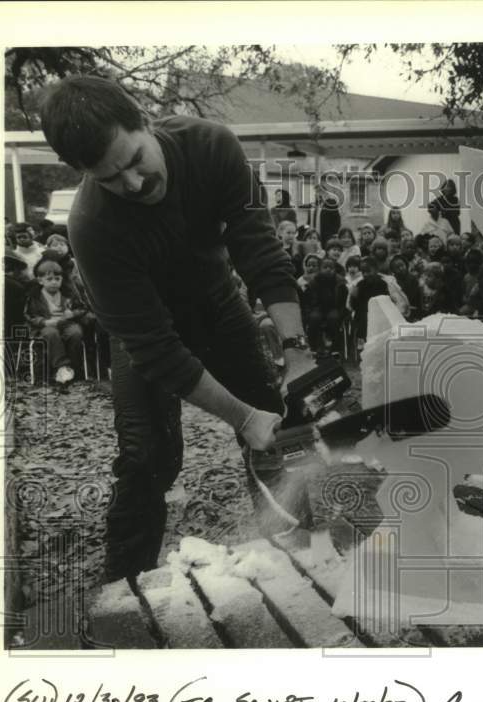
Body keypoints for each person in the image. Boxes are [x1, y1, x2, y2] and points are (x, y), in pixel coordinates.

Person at [40, 75, 318, 583]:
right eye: (109, 178)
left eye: (134, 161)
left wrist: (297, 353)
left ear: (144, 121)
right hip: (143, 330)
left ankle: (300, 557)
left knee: (278, 428)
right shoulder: (90, 226)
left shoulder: (213, 147)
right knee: (146, 454)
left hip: (217, 301)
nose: (132, 184)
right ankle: (124, 595)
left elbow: (260, 253)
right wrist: (240, 416)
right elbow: (157, 349)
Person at [24, 257, 87, 384]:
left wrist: (72, 314)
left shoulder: (68, 293)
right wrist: (43, 322)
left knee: (76, 332)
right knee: (51, 333)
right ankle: (62, 367)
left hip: (65, 324)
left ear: (62, 279)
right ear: (40, 280)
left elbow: (82, 308)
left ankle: (74, 368)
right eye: (49, 279)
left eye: (57, 279)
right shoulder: (35, 296)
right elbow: (29, 315)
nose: (54, 282)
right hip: (44, 327)